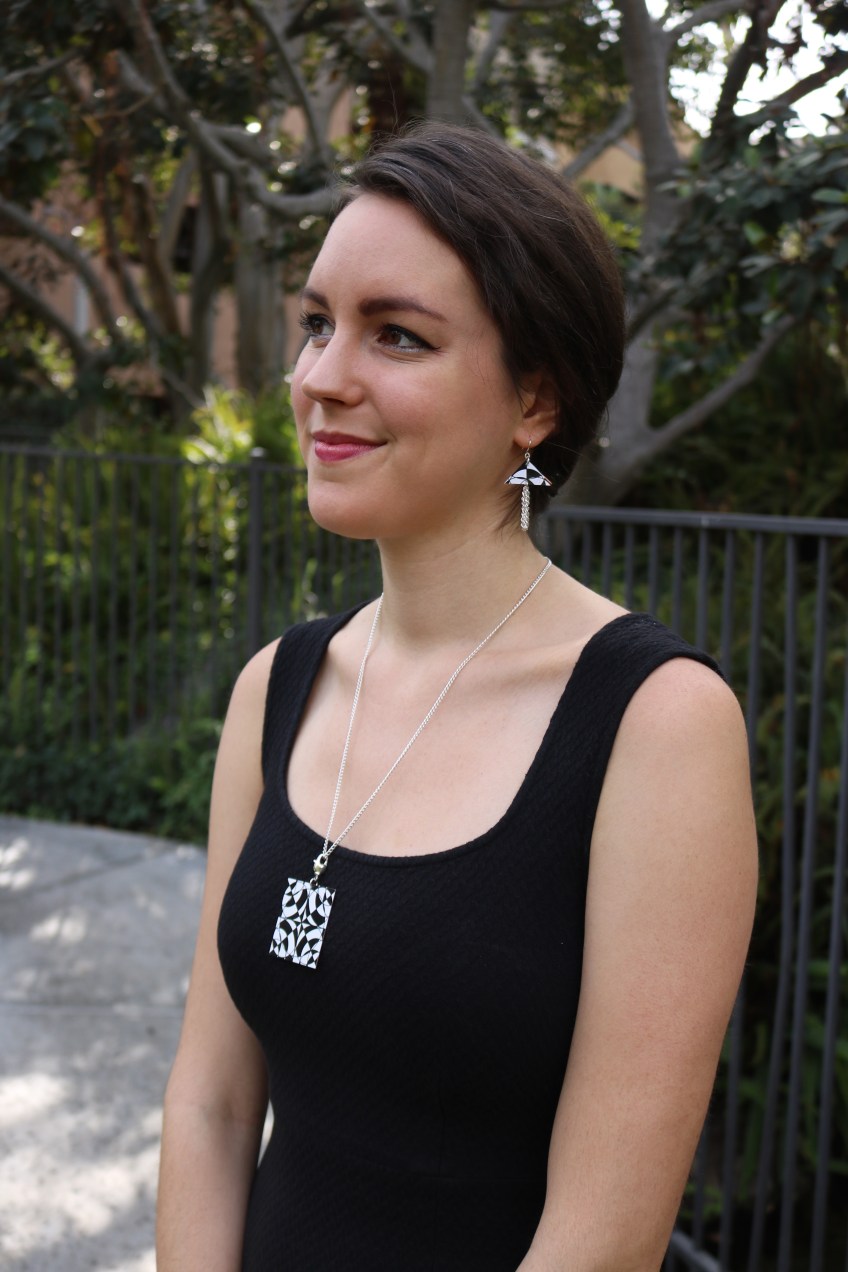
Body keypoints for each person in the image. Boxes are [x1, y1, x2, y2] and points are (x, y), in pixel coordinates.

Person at [156, 122, 757, 1272]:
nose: (322, 378)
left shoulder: (654, 724)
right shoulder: (276, 688)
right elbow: (211, 1105)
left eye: (396, 334)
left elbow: (605, 1238)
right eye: (316, 323)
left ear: (534, 398)